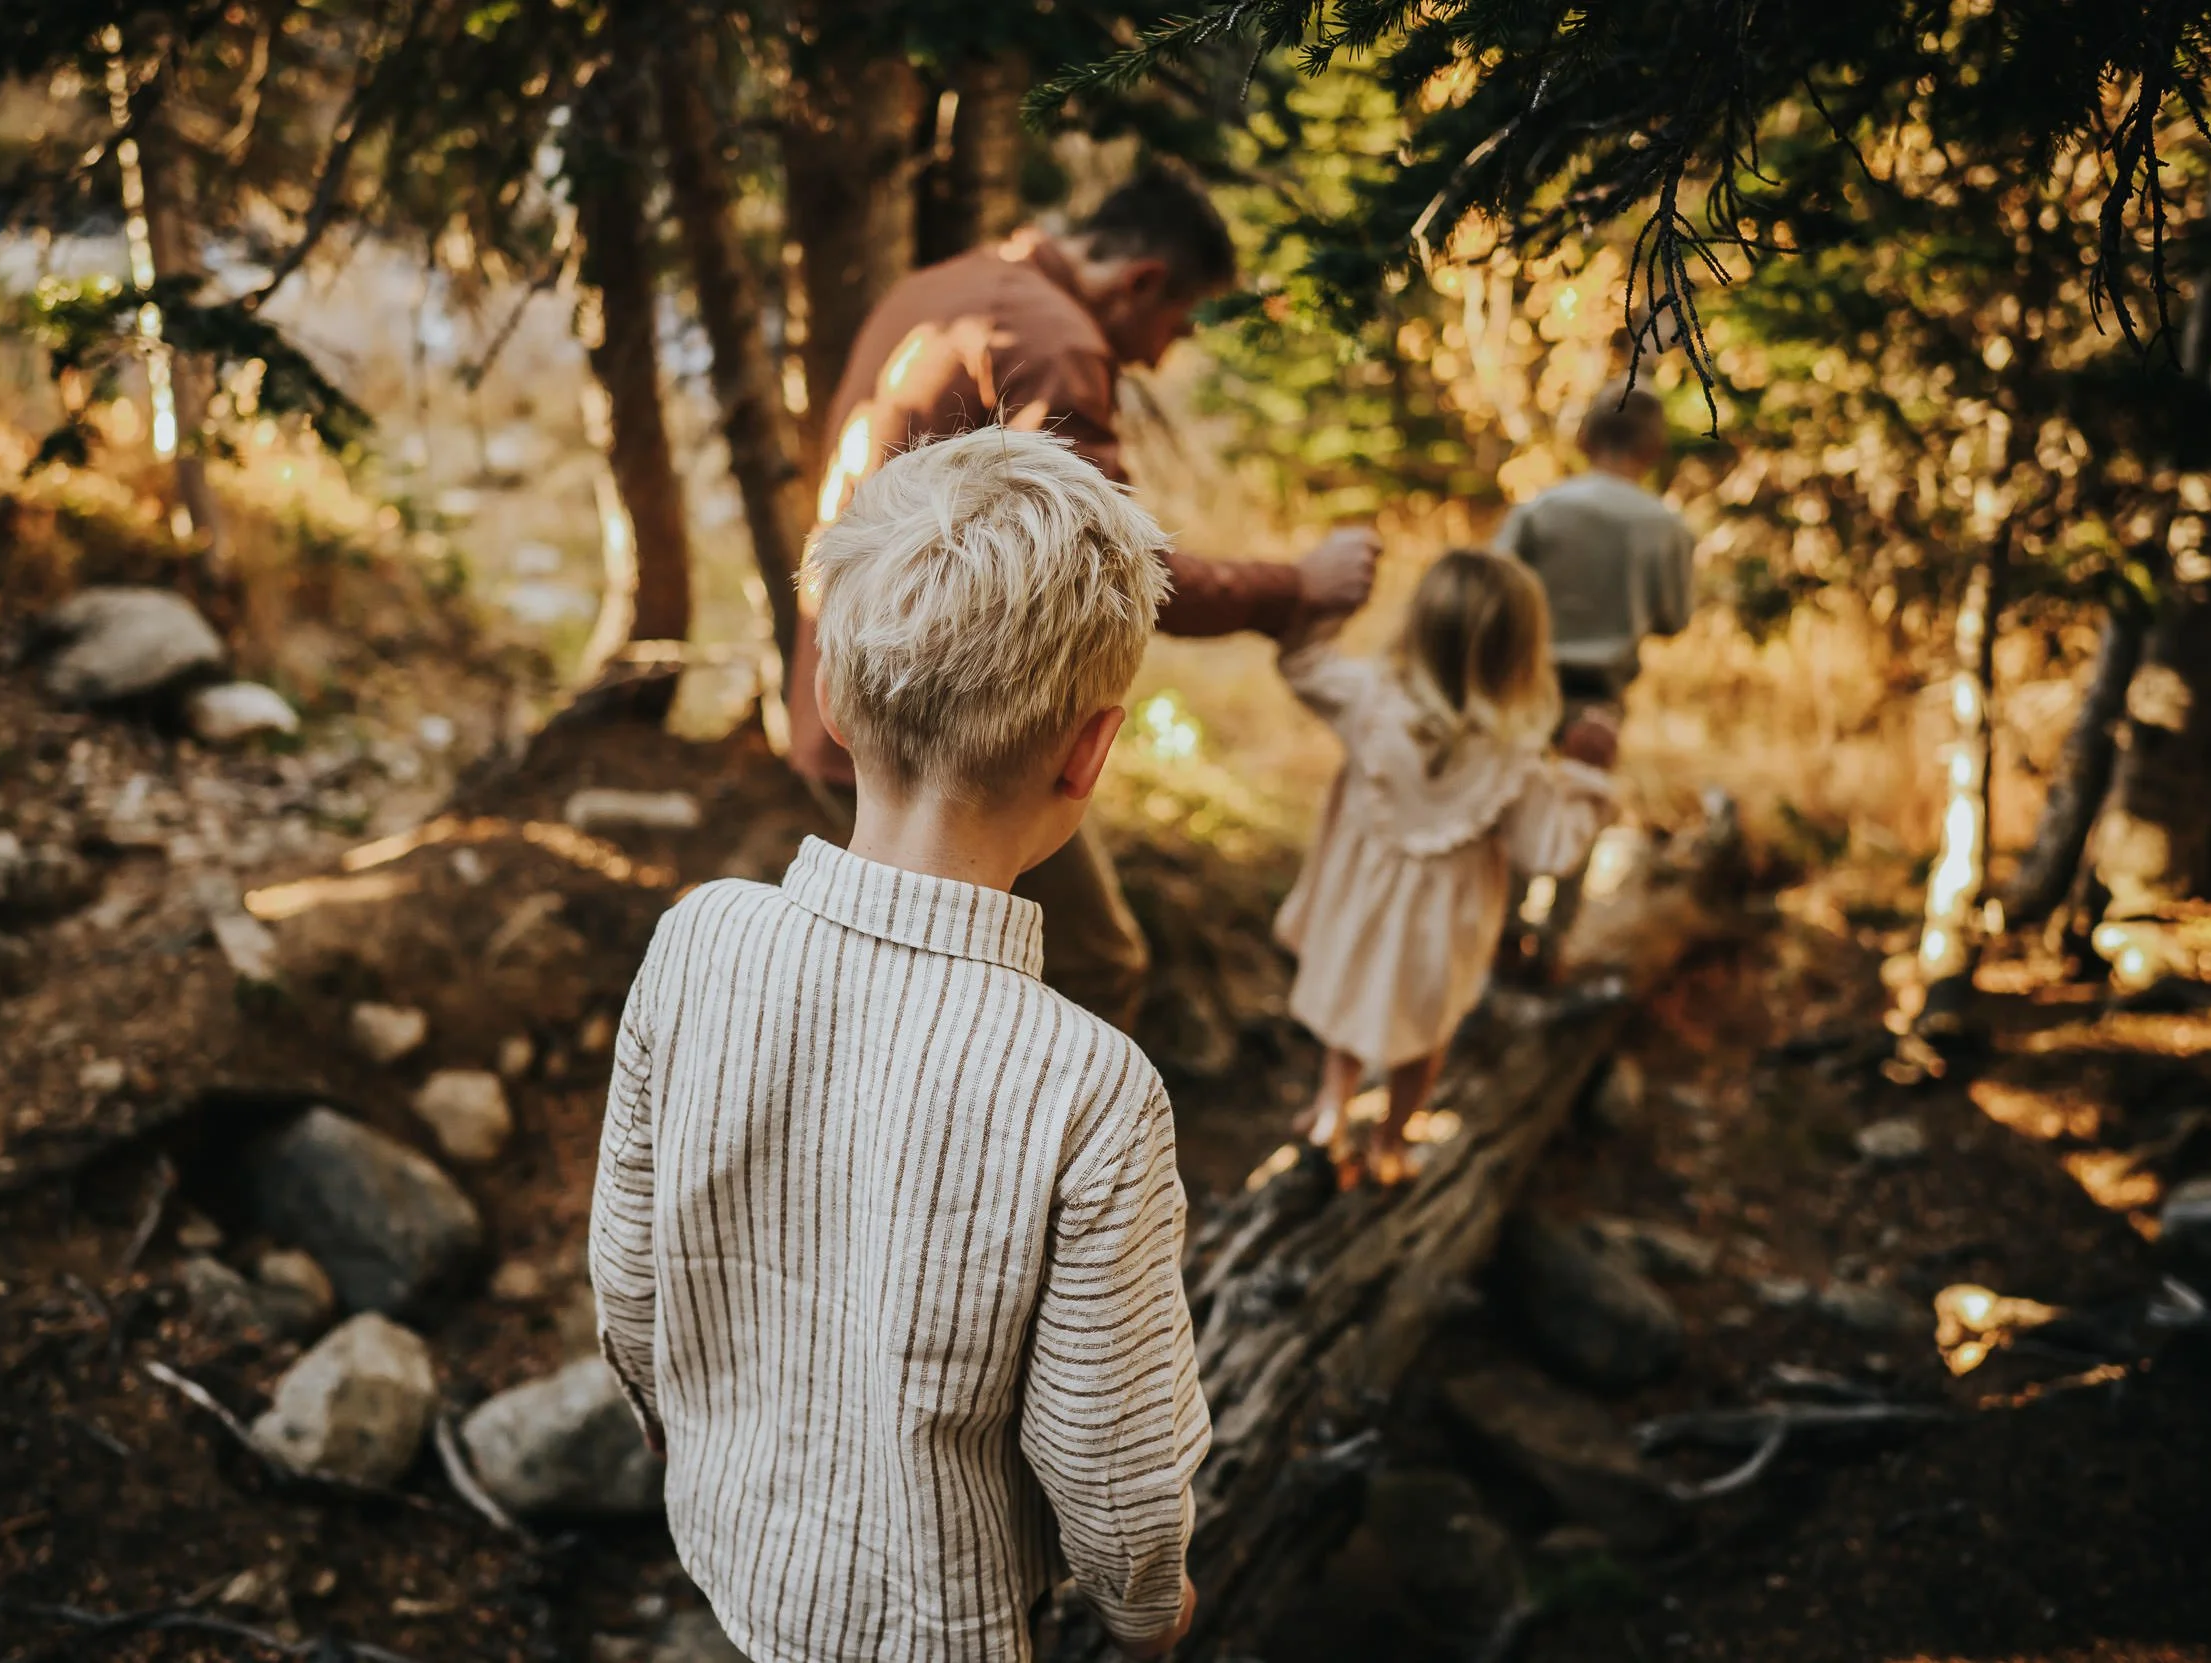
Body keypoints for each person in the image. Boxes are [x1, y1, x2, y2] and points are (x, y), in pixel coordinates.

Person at [591, 430, 1209, 1663]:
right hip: (938, 1625)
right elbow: (1109, 1458)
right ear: (1091, 748)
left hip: (732, 1546)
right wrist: (1154, 1611)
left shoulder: (699, 939)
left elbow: (627, 1276)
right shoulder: (1089, 1092)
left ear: (827, 693)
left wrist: (678, 1427)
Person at [785, 163, 1382, 1030]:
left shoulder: (944, 283)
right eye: (1174, 323)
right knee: (1097, 967)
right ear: (1142, 281)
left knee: (898, 965)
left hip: (852, 695)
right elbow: (1107, 570)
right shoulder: (1051, 337)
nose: (1160, 355)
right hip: (958, 732)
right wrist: (1293, 587)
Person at [1274, 550, 1618, 1183]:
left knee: (1349, 998)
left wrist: (1321, 601)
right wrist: (1588, 777)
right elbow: (1550, 852)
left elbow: (1300, 664)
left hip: (1358, 899)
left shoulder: (1367, 698)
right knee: (1426, 1034)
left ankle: (1331, 1108)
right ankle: (1390, 1143)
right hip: (1444, 927)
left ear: (1418, 626)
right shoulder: (1517, 756)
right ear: (1521, 655)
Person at [1487, 382, 1693, 957]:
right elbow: (1674, 619)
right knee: (1581, 807)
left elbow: (1492, 588)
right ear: (1653, 449)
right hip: (1600, 695)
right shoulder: (1666, 526)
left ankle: (1502, 931)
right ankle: (1554, 940)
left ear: (1585, 438)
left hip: (1524, 683)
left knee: (1515, 800)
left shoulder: (1541, 510)